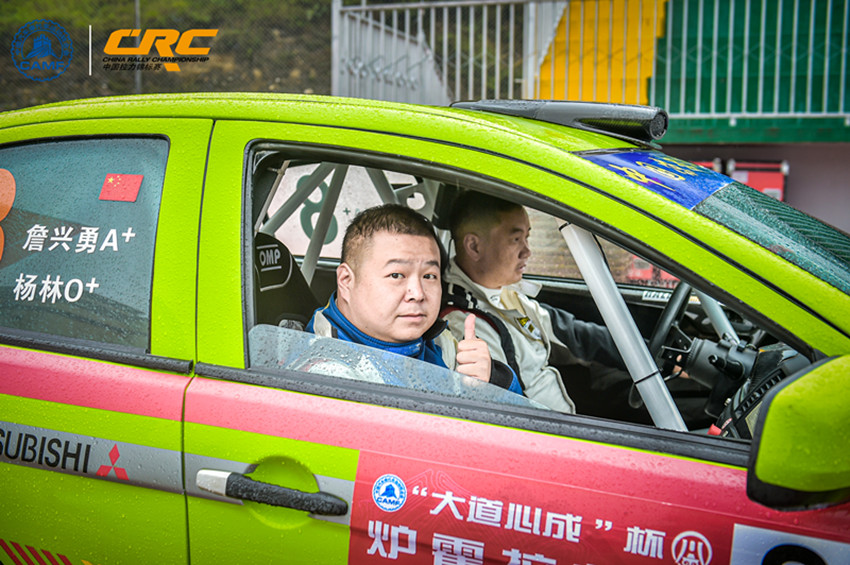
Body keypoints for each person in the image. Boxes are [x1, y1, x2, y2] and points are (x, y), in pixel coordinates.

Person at [442, 191, 640, 417]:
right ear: (474, 246)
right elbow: (505, 411)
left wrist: (646, 354)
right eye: (516, 240)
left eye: (527, 237)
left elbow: (572, 333)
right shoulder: (464, 323)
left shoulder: (503, 291)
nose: (527, 251)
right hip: (549, 431)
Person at [307, 203, 521, 394]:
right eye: (396, 275)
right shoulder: (327, 376)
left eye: (429, 276)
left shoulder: (438, 342)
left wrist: (495, 380)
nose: (418, 294)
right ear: (346, 281)